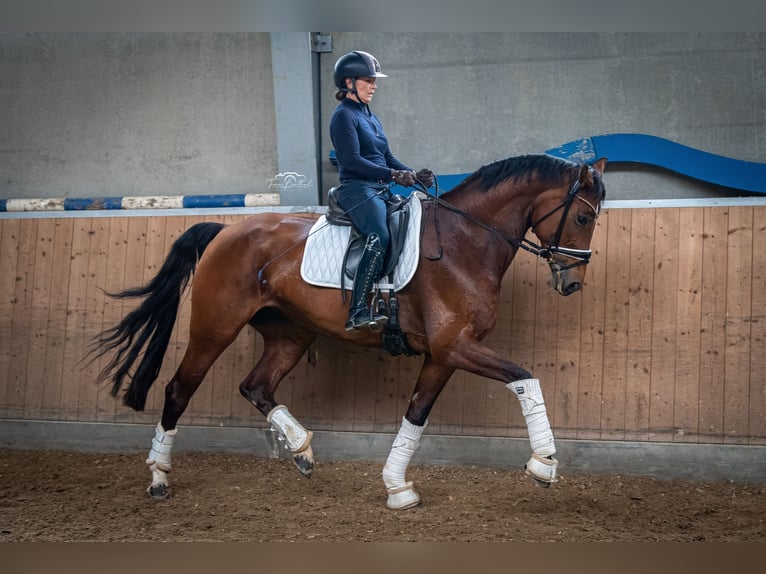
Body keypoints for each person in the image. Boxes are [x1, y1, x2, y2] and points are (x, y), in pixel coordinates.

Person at [330, 50, 434, 332]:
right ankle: (358, 310)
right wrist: (392, 175)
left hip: (379, 188)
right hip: (357, 190)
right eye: (367, 80)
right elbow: (352, 161)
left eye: (374, 80)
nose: (374, 85)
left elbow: (386, 157)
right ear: (349, 82)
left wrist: (413, 175)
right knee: (378, 235)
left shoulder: (371, 117)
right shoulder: (343, 117)